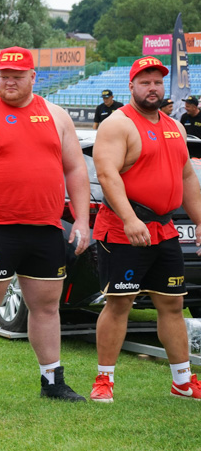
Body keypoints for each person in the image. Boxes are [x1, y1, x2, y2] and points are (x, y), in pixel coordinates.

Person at [0, 46, 90, 404]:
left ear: (32, 77)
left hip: (44, 228)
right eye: (4, 75)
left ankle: (52, 381)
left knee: (47, 306)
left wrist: (83, 221)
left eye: (17, 76)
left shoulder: (56, 116)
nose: (9, 81)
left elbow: (75, 169)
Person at [90, 57, 201, 402]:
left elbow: (186, 177)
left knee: (172, 304)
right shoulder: (117, 124)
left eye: (157, 82)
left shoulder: (175, 126)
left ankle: (182, 381)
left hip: (164, 230)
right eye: (145, 82)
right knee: (119, 303)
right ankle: (104, 379)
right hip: (125, 229)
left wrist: (200, 221)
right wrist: (129, 218)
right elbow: (107, 175)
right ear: (132, 86)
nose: (152, 88)